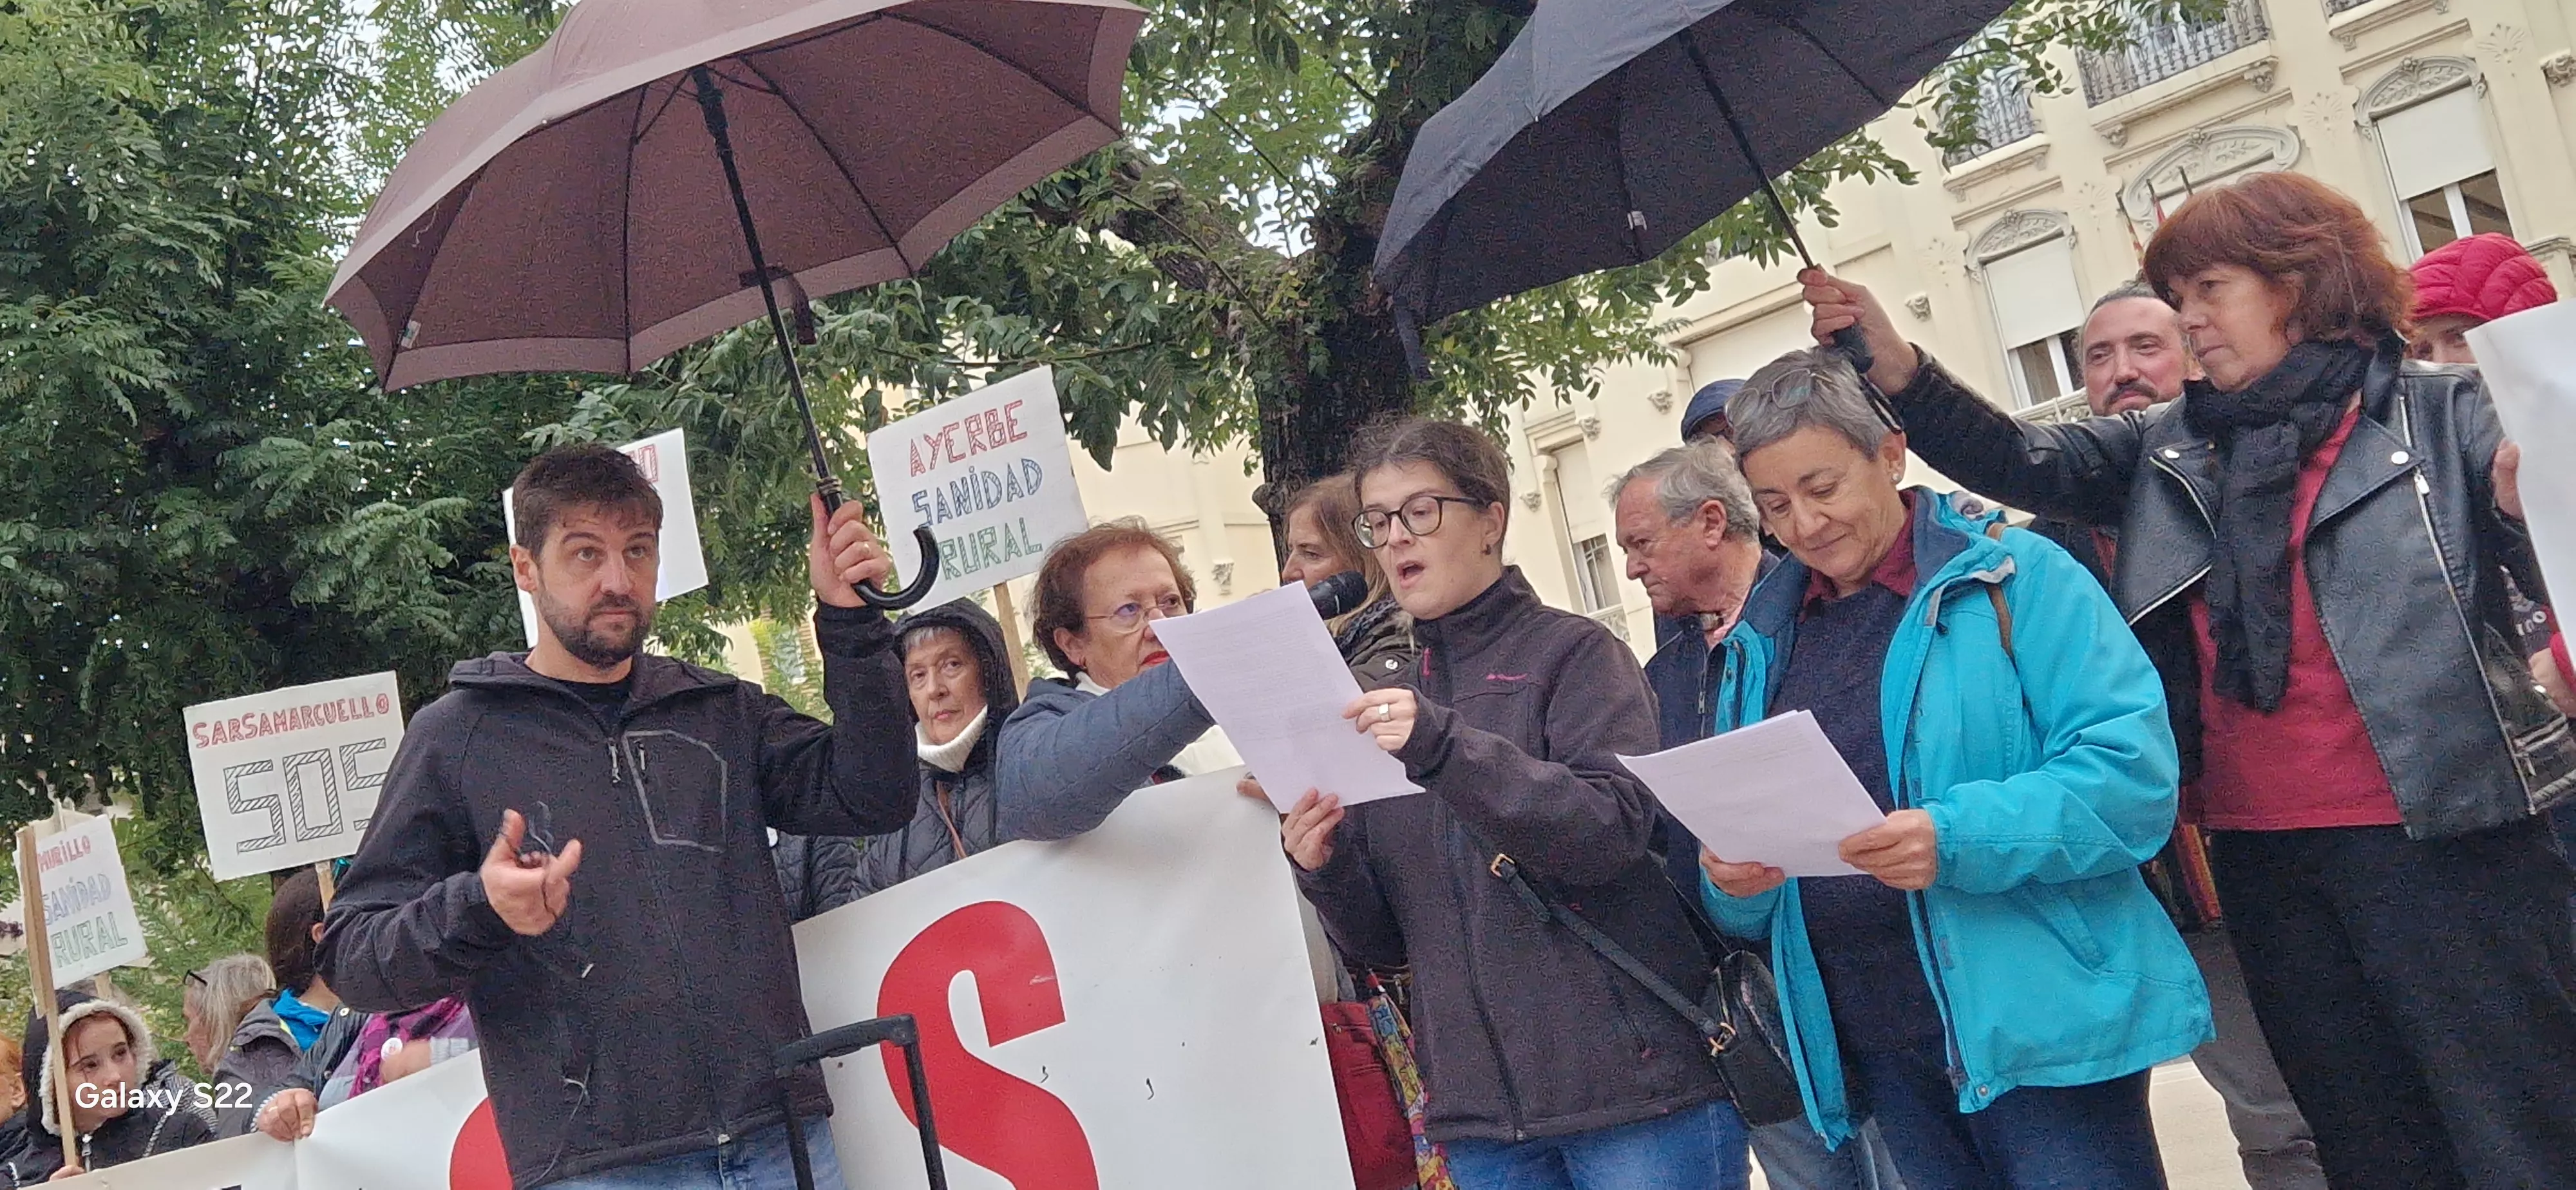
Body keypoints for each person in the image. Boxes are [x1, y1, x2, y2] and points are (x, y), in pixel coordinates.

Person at [1803, 169, 2576, 1189]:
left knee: (2518, 1126)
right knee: (2368, 1139)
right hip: (2262, 854)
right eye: (2180, 295)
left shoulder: (2446, 412)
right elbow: (2022, 456)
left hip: (2448, 836)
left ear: (2297, 282)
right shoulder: (2175, 442)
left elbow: (2547, 574)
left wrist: (2534, 512)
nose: (2189, 320)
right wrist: (1891, 360)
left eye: (2210, 290)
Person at [317, 444, 920, 1189]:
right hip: (602, 1170)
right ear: (525, 569)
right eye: (584, 553)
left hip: (778, 1137)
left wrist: (852, 626)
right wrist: (480, 906)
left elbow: (875, 795)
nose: (617, 580)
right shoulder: (456, 737)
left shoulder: (719, 710)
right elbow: (353, 958)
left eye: (638, 551)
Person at [1698, 348, 2208, 1187]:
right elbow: (1748, 873)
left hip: (2042, 1033)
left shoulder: (2016, 576)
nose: (1805, 525)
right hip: (1881, 1045)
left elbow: (2132, 781)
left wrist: (1955, 836)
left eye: (1823, 489)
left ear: (1891, 453)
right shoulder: (1761, 639)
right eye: (1776, 505)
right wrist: (1734, 879)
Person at [1282, 417, 1748, 1190]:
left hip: (1634, 1101)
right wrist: (1323, 866)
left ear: (1491, 518)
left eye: (1421, 511)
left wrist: (1441, 748)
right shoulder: (1371, 696)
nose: (1397, 538)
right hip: (1483, 1124)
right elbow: (1387, 944)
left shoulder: (1575, 654)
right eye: (1379, 520)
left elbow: (1611, 833)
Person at [2034, 282, 2328, 1190]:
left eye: (2146, 348)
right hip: (2181, 882)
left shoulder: (2266, 475)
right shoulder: (2050, 547)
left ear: (2195, 355)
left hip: (2310, 841)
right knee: (2273, 1122)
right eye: (2099, 356)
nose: (2124, 372)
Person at [1609, 440, 1908, 1190]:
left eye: (1641, 544)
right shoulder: (1658, 677)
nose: (1630, 568)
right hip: (1755, 1004)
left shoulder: (1830, 626)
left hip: (1874, 980)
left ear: (1712, 522)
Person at [2401, 235, 2576, 718]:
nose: (2438, 362)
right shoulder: (2426, 457)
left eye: (2460, 336)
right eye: (2420, 347)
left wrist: (2566, 661)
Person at [773, 598, 1025, 918]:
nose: (935, 689)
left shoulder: (1034, 765)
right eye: (917, 676)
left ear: (989, 671)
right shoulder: (894, 807)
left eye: (951, 665)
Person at [998, 519, 1236, 840]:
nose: (1159, 627)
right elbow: (1038, 797)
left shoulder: (1242, 707)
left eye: (1170, 603)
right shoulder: (1042, 729)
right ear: (1073, 644)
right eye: (1128, 610)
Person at [5, 993, 213, 1184]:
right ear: (51, 1083)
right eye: (90, 1066)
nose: (115, 1076)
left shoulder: (180, 1135)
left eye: (120, 1053)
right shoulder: (16, 1176)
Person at [1280, 474, 1416, 689]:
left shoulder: (1401, 642)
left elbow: (1330, 711)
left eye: (1312, 554)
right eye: (1291, 551)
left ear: (1366, 561)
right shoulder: (1332, 637)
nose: (1289, 572)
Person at [184, 952, 289, 1138]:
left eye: (188, 1020)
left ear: (215, 1018)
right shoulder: (293, 1037)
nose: (186, 1037)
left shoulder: (241, 1072)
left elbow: (238, 1159)